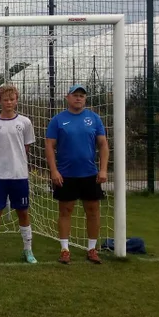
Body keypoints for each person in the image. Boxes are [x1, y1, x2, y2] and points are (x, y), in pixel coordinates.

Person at [45, 84, 110, 264]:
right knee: (65, 211)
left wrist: (103, 169)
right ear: (68, 98)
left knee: (93, 211)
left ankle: (92, 249)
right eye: (75, 95)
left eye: (82, 95)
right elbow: (49, 146)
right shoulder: (58, 120)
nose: (78, 98)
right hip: (65, 174)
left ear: (85, 98)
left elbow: (103, 144)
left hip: (90, 174)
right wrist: (54, 171)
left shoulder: (94, 118)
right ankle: (65, 250)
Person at [0, 84, 37, 264]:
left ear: (17, 100)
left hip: (19, 175)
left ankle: (28, 250)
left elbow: (25, 147)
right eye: (5, 100)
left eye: (12, 99)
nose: (9, 102)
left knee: (23, 212)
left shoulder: (25, 122)